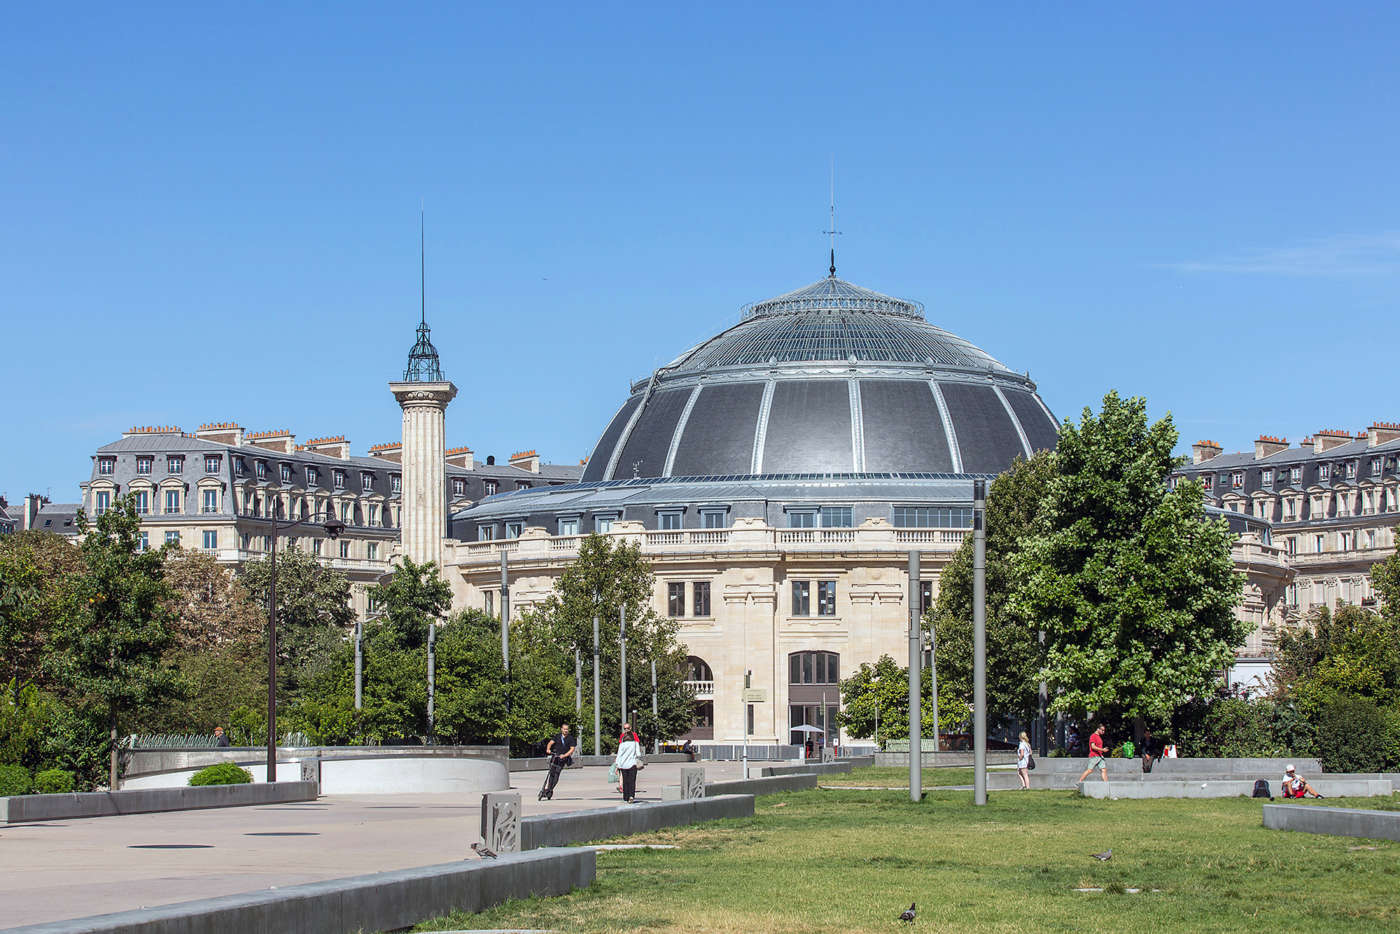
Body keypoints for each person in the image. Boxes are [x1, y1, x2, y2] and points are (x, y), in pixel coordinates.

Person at [539, 723, 576, 801]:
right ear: (561, 729)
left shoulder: (570, 738)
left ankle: (549, 789)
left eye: (567, 729)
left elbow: (572, 749)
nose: (565, 730)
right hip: (555, 756)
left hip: (563, 758)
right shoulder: (557, 736)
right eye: (564, 729)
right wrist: (548, 749)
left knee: (557, 774)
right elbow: (550, 743)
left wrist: (565, 755)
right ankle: (549, 789)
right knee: (551, 773)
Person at [614, 727, 643, 803]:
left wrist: (617, 766)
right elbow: (638, 754)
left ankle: (625, 797)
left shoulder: (622, 745)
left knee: (625, 781)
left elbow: (619, 755)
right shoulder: (635, 743)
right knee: (632, 781)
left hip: (623, 765)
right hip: (632, 764)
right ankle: (631, 796)